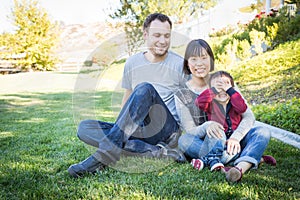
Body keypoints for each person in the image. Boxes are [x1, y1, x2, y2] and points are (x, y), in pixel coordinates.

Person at [68, 13, 188, 178]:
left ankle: (103, 157)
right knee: (85, 128)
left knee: (145, 89)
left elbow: (192, 101)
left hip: (167, 132)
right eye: (157, 35)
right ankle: (157, 152)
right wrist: (120, 132)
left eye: (167, 36)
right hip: (139, 129)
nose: (163, 40)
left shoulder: (180, 64)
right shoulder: (132, 63)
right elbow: (128, 98)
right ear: (145, 35)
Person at [175, 39, 276, 183]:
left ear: (211, 59)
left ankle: (235, 167)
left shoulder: (224, 80)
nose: (199, 64)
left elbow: (248, 116)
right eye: (194, 59)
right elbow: (189, 129)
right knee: (184, 140)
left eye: (204, 58)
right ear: (187, 63)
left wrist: (235, 137)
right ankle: (248, 158)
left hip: (234, 139)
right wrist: (207, 126)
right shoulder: (181, 93)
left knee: (262, 132)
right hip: (207, 142)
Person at [191, 70, 248, 171]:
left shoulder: (235, 102)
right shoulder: (211, 104)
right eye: (218, 86)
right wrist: (214, 90)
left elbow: (242, 108)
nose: (222, 90)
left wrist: (230, 90)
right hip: (216, 139)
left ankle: (205, 161)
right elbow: (199, 102)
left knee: (232, 152)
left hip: (231, 143)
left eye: (226, 85)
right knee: (217, 129)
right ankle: (214, 160)